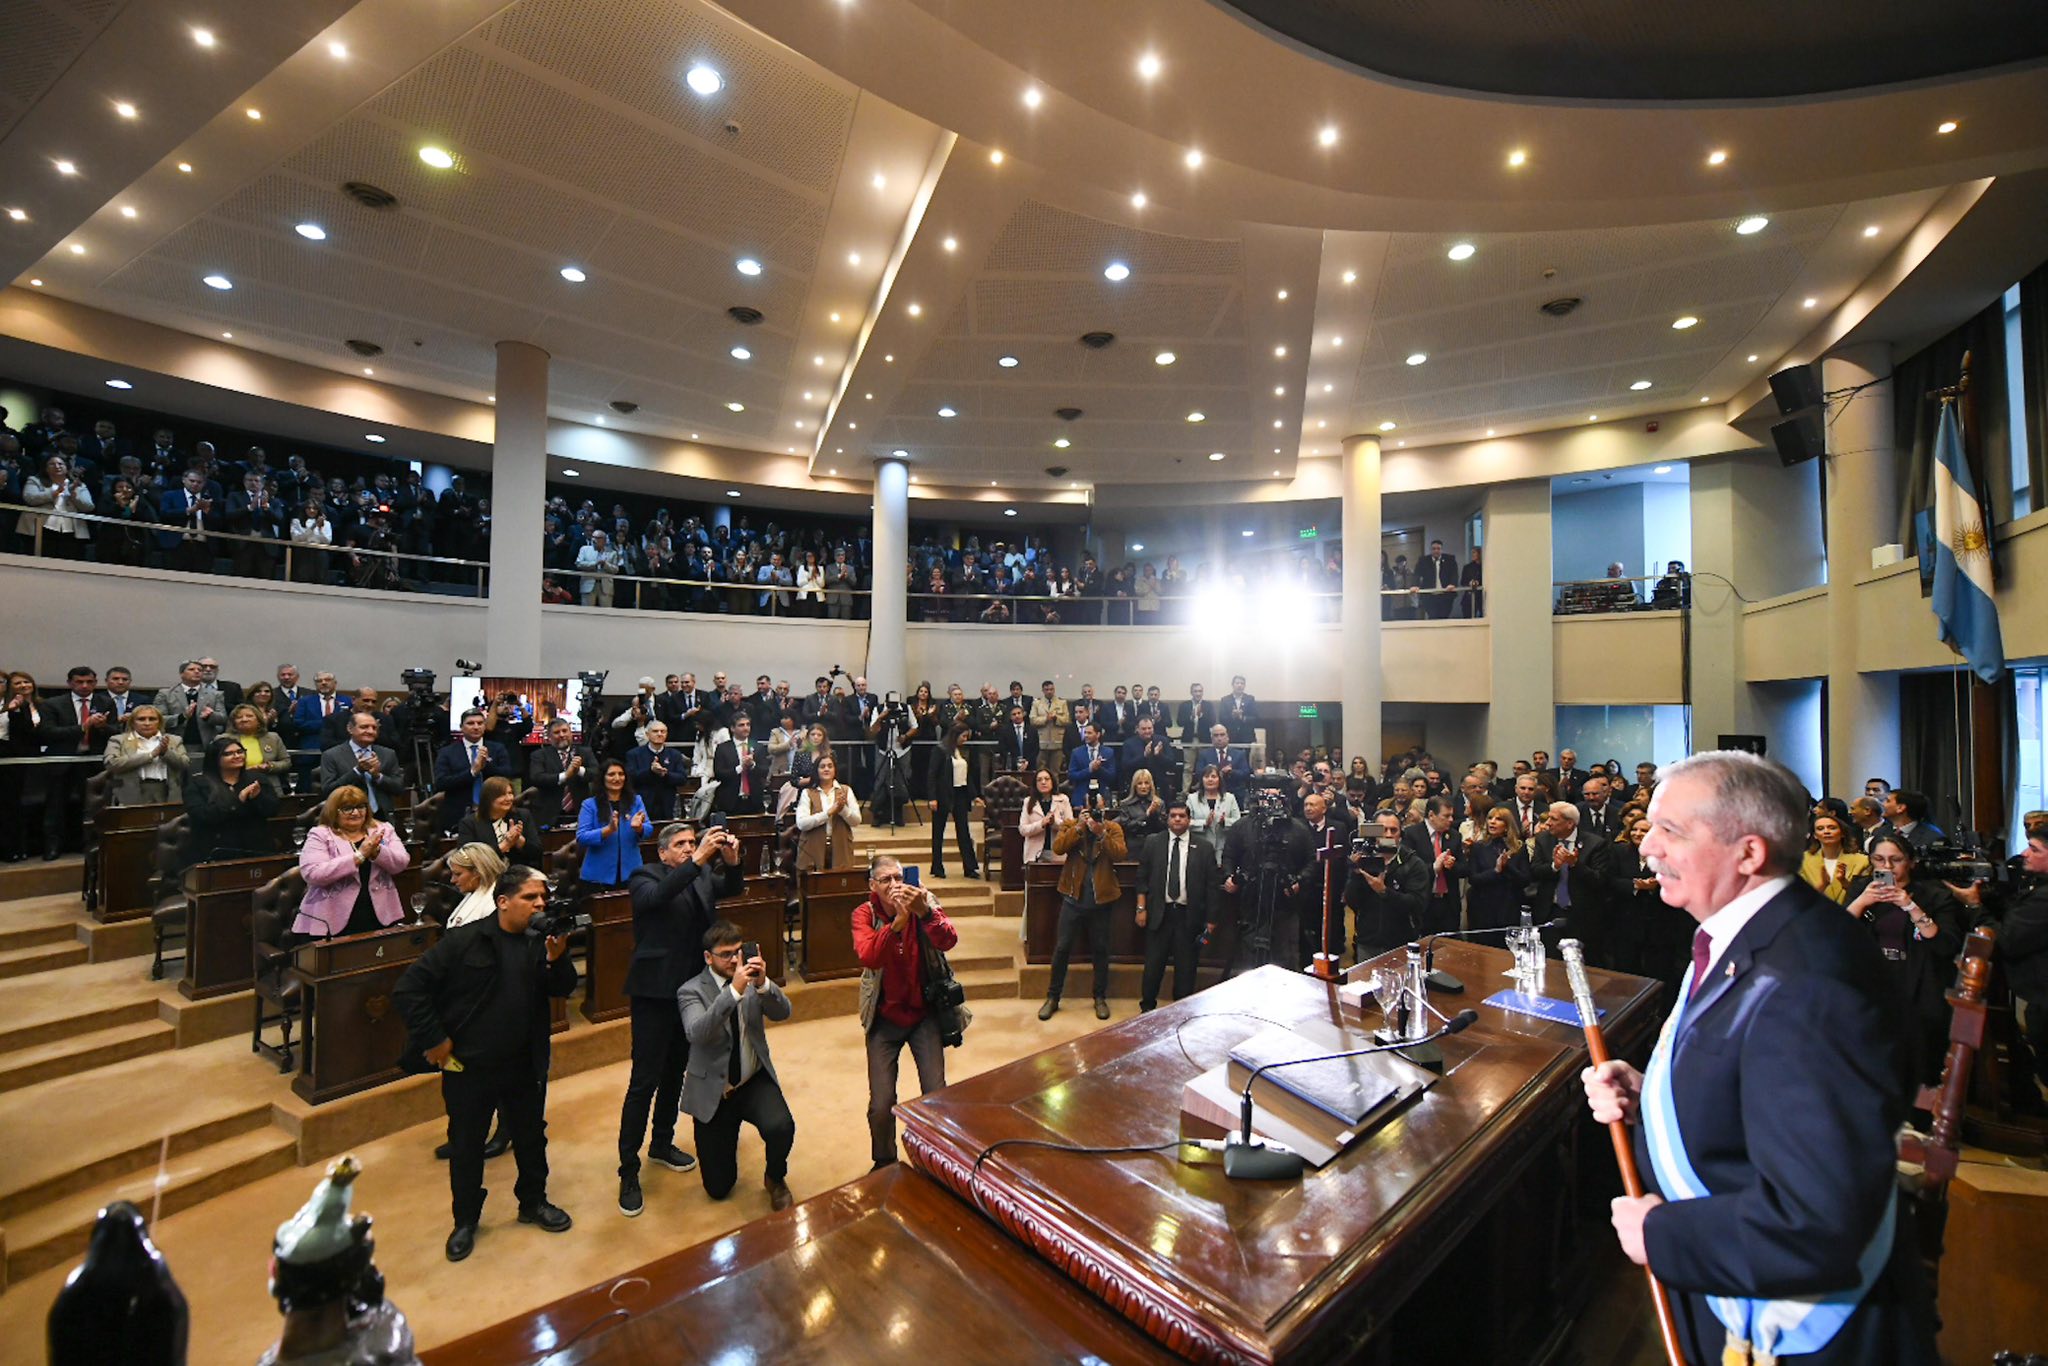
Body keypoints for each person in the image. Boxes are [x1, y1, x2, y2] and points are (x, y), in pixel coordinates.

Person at [1582, 751, 1937, 1365]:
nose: (1648, 850)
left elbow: (1816, 1223)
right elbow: (1763, 1077)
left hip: (1805, 1335)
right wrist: (1658, 1098)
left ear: (1748, 853)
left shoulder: (1810, 983)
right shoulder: (1755, 933)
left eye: (1671, 832)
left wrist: (1660, 1234)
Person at [396, 866, 578, 1262]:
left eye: (543, 899)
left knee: (530, 1137)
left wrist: (557, 960)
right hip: (469, 1067)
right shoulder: (464, 941)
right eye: (531, 898)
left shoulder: (538, 942)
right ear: (503, 902)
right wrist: (436, 1039)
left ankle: (533, 1202)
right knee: (466, 1145)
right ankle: (465, 1221)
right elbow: (409, 988)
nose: (540, 905)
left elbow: (561, 988)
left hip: (522, 1063)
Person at [615, 822, 743, 1215]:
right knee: (644, 1080)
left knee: (676, 1073)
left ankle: (661, 1142)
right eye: (682, 844)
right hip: (654, 993)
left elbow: (731, 888)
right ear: (663, 852)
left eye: (693, 842)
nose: (690, 848)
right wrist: (700, 860)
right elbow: (655, 900)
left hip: (691, 992)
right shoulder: (643, 876)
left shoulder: (702, 874)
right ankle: (628, 1170)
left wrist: (733, 864)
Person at [680, 920, 795, 1209]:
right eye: (726, 954)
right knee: (719, 1189)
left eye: (737, 952)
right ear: (708, 957)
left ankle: (775, 1177)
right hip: (714, 1092)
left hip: (752, 1080)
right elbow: (697, 1033)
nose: (734, 960)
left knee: (781, 1126)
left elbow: (784, 1013)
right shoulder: (690, 990)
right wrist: (732, 992)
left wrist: (764, 985)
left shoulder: (752, 980)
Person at [854, 856, 959, 1169]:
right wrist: (896, 925)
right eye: (886, 880)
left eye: (899, 878)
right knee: (882, 1104)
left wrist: (924, 912)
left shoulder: (923, 901)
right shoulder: (864, 913)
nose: (895, 885)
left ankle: (936, 1157)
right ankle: (884, 1162)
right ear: (873, 886)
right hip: (884, 1018)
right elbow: (869, 956)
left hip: (922, 1014)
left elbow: (949, 940)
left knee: (935, 1093)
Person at [1844, 835, 1966, 1089]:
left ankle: (1919, 1111)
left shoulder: (1933, 894)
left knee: (1919, 1051)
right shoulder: (1862, 889)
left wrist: (1910, 906)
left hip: (1921, 979)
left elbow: (1945, 944)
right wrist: (1861, 902)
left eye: (1895, 860)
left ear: (1911, 862)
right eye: (1879, 860)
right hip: (1874, 979)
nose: (1887, 867)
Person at [1038, 793, 1127, 1021]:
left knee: (1101, 949)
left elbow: (1120, 854)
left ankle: (1099, 997)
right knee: (1062, 948)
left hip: (1101, 901)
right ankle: (1053, 997)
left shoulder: (1112, 828)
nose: (1092, 814)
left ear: (1103, 808)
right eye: (1087, 809)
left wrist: (1101, 834)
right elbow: (1058, 848)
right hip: (1072, 898)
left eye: (1096, 809)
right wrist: (1079, 827)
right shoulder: (1072, 825)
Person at [293, 785, 411, 942]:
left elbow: (401, 863)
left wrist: (377, 853)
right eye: (347, 808)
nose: (356, 812)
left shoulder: (383, 829)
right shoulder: (320, 834)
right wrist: (359, 856)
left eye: (361, 806)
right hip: (330, 919)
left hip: (379, 914)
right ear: (334, 811)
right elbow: (313, 874)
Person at [1135, 801, 1219, 1011]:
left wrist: (1211, 921)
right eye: (1173, 815)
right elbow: (1142, 878)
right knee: (1153, 969)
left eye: (1182, 816)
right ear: (1167, 819)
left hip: (1188, 918)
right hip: (1158, 915)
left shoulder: (1204, 848)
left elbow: (1212, 888)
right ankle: (1146, 1010)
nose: (1178, 819)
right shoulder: (1153, 843)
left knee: (1186, 971)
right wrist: (1141, 908)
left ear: (1189, 820)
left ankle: (1180, 1013)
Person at [1345, 809, 1429, 960]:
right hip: (1368, 942)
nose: (1389, 835)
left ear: (1401, 834)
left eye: (1394, 830)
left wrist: (1384, 892)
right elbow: (1352, 902)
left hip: (1401, 943)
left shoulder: (1414, 863)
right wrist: (1355, 875)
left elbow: (1417, 904)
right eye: (1383, 830)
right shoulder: (1363, 861)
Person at [184, 735, 279, 863]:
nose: (237, 756)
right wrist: (237, 801)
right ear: (215, 758)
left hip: (256, 848)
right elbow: (202, 815)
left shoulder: (257, 779)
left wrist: (258, 797)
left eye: (240, 752)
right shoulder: (198, 783)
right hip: (215, 850)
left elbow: (273, 810)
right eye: (228, 754)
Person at [433, 709, 514, 832]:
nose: (476, 727)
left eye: (480, 723)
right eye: (470, 723)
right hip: (459, 813)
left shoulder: (497, 748)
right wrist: (472, 772)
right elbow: (441, 783)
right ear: (461, 727)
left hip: (495, 812)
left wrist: (486, 765)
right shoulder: (447, 752)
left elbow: (507, 775)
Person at [319, 712, 405, 819]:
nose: (370, 731)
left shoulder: (388, 754)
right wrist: (357, 771)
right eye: (364, 727)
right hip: (347, 817)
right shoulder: (331, 755)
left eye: (374, 728)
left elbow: (399, 788)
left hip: (382, 817)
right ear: (350, 729)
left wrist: (377, 776)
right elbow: (328, 791)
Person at [576, 759, 647, 887]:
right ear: (602, 778)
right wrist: (608, 830)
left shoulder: (636, 801)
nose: (617, 778)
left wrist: (640, 828)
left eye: (621, 774)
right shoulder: (589, 804)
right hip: (598, 876)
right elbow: (582, 837)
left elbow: (649, 829)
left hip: (631, 872)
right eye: (611, 774)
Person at [1401, 796, 1466, 936]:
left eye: (1452, 816)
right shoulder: (1411, 834)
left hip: (1448, 904)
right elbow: (1406, 869)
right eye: (1446, 816)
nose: (1451, 820)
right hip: (1424, 902)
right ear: (1431, 815)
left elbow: (1465, 869)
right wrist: (1433, 868)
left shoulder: (1454, 836)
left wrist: (1452, 865)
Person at [103, 705, 189, 806]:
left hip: (166, 792)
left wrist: (166, 753)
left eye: (152, 719)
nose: (147, 723)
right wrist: (150, 755)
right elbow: (111, 764)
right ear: (132, 722)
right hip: (131, 793)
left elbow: (185, 764)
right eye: (141, 719)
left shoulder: (174, 740)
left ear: (159, 722)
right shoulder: (118, 740)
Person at [1463, 806, 1530, 933]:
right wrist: (1495, 871)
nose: (1492, 822)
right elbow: (1473, 878)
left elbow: (1525, 880)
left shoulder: (1519, 848)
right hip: (1482, 906)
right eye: (1490, 818)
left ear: (1507, 825)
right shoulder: (1478, 847)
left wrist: (1507, 866)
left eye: (1498, 819)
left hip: (1509, 906)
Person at [456, 776, 543, 868]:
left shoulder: (523, 816)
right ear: (488, 799)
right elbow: (465, 859)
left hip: (519, 874)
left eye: (510, 793)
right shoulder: (469, 823)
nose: (509, 798)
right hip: (486, 875)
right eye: (502, 795)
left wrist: (519, 841)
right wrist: (504, 846)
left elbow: (538, 853)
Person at [796, 754, 861, 871]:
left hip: (841, 848)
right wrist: (828, 813)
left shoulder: (846, 790)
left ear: (835, 770)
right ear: (817, 771)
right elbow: (802, 824)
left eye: (830, 766)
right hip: (812, 848)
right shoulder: (808, 792)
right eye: (822, 766)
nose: (826, 769)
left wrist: (842, 810)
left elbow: (856, 821)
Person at [528, 718, 596, 827]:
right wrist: (565, 776)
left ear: (571, 732)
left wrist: (579, 770)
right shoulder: (539, 755)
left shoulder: (585, 752)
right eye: (556, 732)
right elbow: (537, 777)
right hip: (549, 813)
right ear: (549, 737)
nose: (562, 735)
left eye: (565, 731)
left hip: (580, 811)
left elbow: (596, 773)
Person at [1799, 813, 1871, 906]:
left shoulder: (1863, 861)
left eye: (1832, 828)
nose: (1826, 831)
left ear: (1842, 833)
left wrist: (1845, 883)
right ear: (1815, 835)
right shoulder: (1803, 860)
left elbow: (1867, 894)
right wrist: (1823, 885)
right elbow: (1799, 898)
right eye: (1820, 829)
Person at [625, 720, 689, 820]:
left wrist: (665, 774)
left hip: (668, 804)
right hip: (643, 803)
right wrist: (650, 771)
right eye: (655, 731)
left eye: (662, 731)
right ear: (647, 734)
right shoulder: (634, 754)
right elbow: (630, 778)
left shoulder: (675, 754)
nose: (659, 734)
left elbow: (682, 778)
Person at [227, 703, 291, 797]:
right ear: (234, 722)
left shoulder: (273, 738)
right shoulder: (224, 739)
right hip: (234, 787)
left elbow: (286, 762)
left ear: (259, 720)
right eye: (239, 717)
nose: (244, 719)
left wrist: (269, 766)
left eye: (249, 716)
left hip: (268, 786)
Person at [443, 842, 509, 930]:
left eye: (457, 874)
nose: (452, 880)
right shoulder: (474, 893)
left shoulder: (493, 905)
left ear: (477, 872)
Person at [712, 713, 766, 816]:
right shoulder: (723, 748)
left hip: (754, 801)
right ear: (732, 728)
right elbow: (719, 773)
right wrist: (741, 767)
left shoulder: (758, 747)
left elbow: (765, 771)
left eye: (748, 724)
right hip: (730, 802)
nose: (746, 728)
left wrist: (752, 765)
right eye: (741, 725)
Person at [1186, 764, 1242, 860]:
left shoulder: (1229, 798)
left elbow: (1238, 822)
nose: (1210, 780)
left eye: (1213, 776)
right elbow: (1186, 822)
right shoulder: (1192, 799)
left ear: (1219, 780)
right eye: (1206, 777)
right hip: (1199, 849)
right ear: (1202, 780)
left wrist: (1225, 822)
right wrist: (1204, 823)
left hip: (1223, 849)